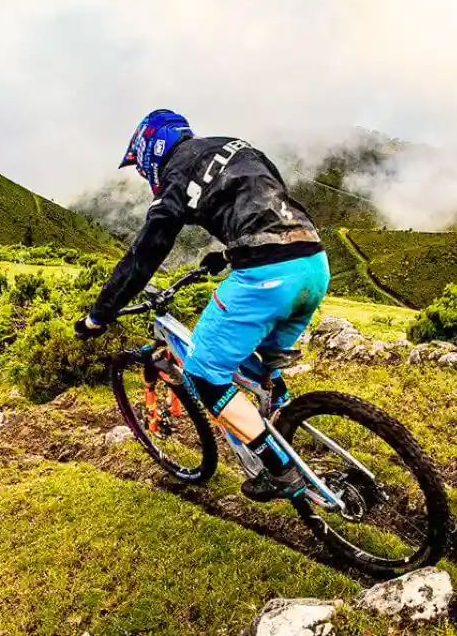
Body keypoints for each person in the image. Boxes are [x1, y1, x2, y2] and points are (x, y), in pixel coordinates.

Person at [74, 109, 330, 502]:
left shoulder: (177, 175)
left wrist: (99, 315)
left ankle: (280, 469)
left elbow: (143, 256)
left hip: (267, 277)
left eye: (144, 171)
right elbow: (267, 204)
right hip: (314, 264)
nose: (147, 180)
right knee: (256, 365)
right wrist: (228, 256)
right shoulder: (235, 145)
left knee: (203, 376)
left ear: (150, 152)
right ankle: (281, 412)